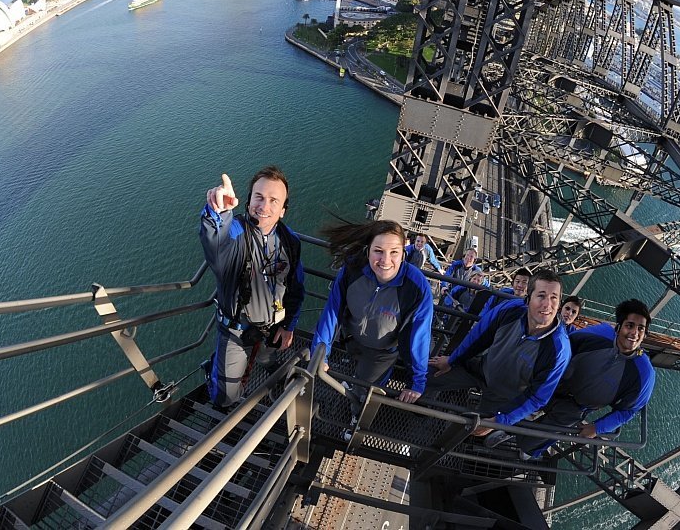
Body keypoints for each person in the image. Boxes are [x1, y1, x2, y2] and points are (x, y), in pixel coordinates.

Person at [199, 167, 305, 410]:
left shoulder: (290, 242)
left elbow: (296, 288)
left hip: (273, 328)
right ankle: (212, 372)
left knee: (268, 359)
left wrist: (289, 326)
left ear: (282, 211)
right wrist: (219, 212)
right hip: (236, 332)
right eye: (259, 197)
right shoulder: (236, 233)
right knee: (223, 399)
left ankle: (264, 368)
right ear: (247, 202)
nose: (264, 206)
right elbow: (216, 246)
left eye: (273, 200)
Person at [498, 298, 656, 456]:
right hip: (553, 385)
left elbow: (628, 410)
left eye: (641, 329)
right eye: (630, 325)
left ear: (645, 334)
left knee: (537, 439)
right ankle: (504, 430)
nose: (635, 333)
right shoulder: (600, 334)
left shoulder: (644, 373)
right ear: (618, 327)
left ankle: (525, 451)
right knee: (520, 406)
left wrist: (597, 428)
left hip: (576, 408)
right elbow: (565, 345)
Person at [311, 220, 434, 419]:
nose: (385, 260)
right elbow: (332, 311)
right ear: (368, 250)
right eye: (378, 251)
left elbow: (419, 337)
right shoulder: (353, 268)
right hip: (350, 337)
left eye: (394, 252)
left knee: (365, 393)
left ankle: (354, 417)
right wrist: (320, 353)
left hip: (381, 353)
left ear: (404, 252)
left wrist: (417, 382)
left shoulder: (416, 287)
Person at [427, 269, 570, 435]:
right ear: (528, 298)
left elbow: (538, 396)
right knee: (428, 374)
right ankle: (417, 407)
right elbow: (478, 337)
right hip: (482, 369)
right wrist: (452, 360)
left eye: (554, 298)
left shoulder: (558, 350)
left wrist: (500, 420)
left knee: (470, 429)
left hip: (503, 396)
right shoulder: (510, 310)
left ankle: (446, 441)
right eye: (541, 296)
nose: (547, 304)